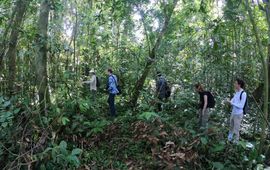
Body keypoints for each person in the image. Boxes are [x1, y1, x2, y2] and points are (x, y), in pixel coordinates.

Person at [226, 78, 247, 143]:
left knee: (236, 129)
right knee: (231, 127)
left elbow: (241, 106)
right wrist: (229, 101)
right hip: (233, 113)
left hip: (238, 114)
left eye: (235, 83)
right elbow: (233, 99)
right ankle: (229, 140)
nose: (234, 84)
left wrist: (231, 103)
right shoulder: (236, 92)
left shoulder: (243, 93)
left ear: (239, 85)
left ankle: (235, 144)